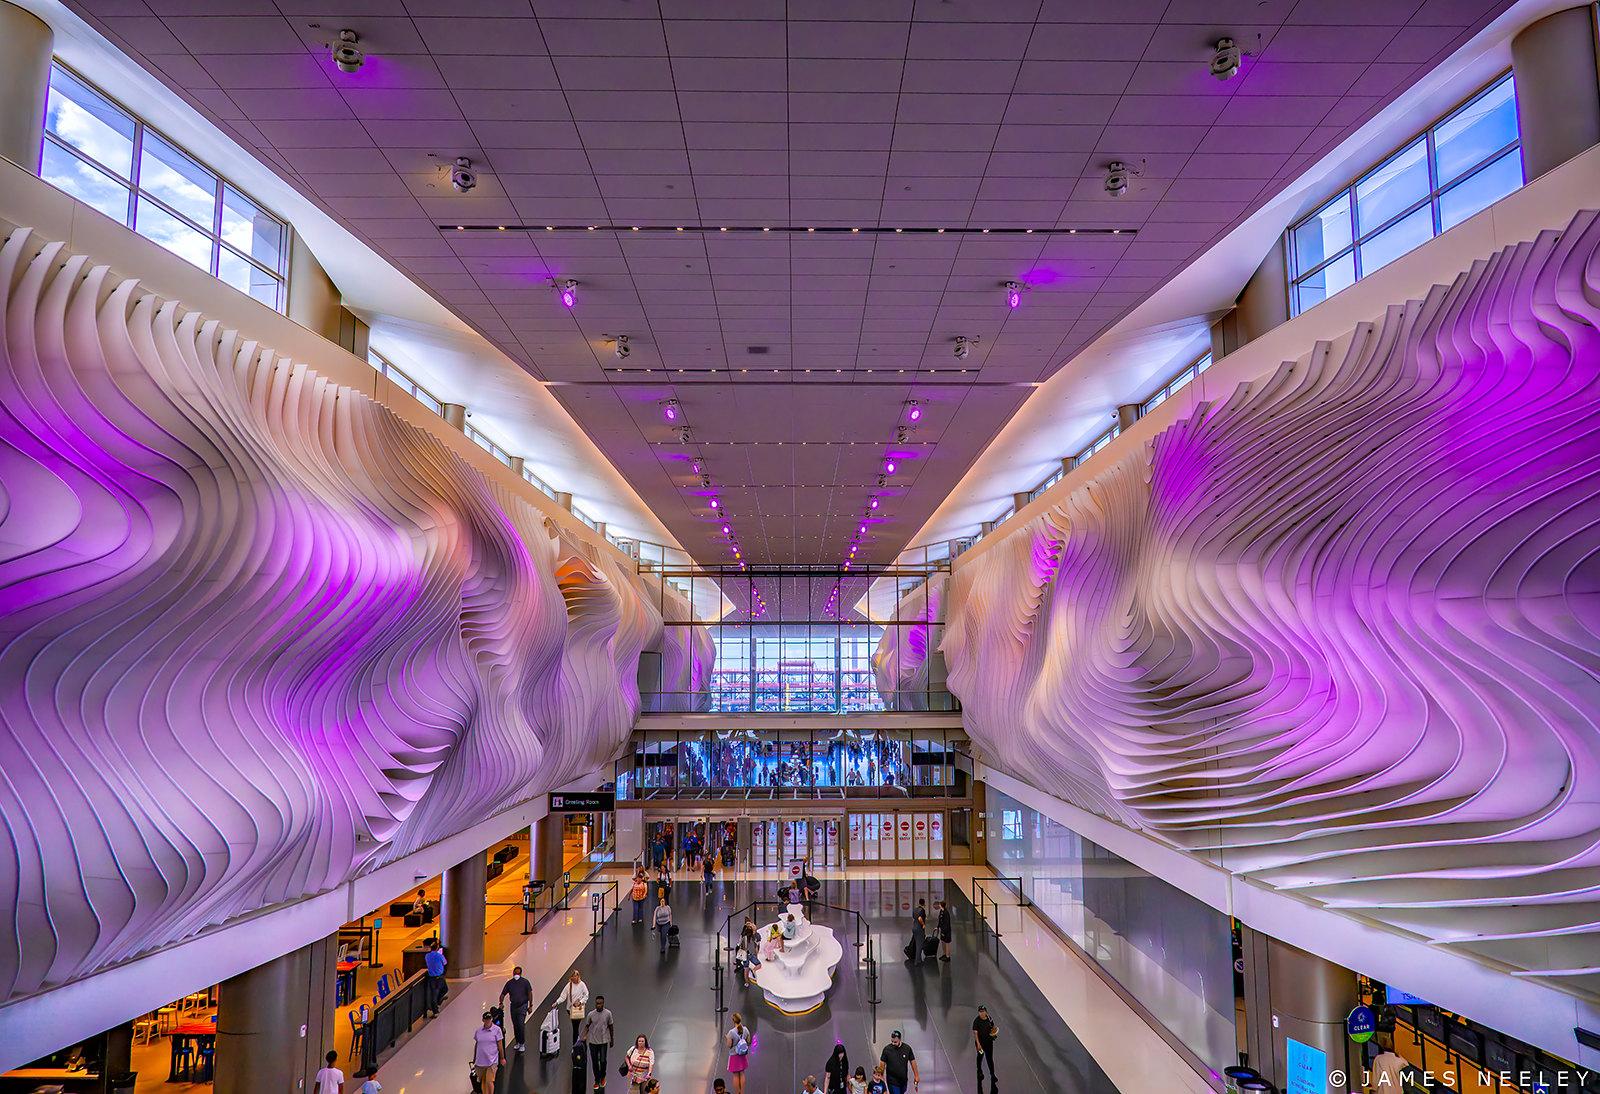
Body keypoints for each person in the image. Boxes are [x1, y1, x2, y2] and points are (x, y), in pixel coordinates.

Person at [581, 993, 615, 1090]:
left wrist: (612, 1039)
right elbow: (587, 1026)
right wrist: (584, 1036)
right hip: (593, 1042)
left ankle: (603, 1077)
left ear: (603, 1003)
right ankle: (596, 1080)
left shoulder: (608, 1013)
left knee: (603, 1060)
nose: (598, 1005)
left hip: (603, 1041)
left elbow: (611, 1026)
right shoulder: (591, 1014)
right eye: (597, 1003)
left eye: (600, 1003)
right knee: (595, 1062)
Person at [498, 964, 533, 1052]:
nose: (516, 975)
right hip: (513, 1006)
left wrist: (530, 1005)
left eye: (518, 973)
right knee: (515, 1025)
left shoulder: (525, 982)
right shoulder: (509, 983)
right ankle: (517, 1042)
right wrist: (501, 1003)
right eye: (515, 973)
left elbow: (530, 993)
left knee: (520, 1025)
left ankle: (522, 1043)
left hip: (522, 1006)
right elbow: (503, 993)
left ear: (520, 974)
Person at [473, 1011, 502, 1093]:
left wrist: (502, 1058)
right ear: (483, 1020)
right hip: (480, 1061)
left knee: (489, 1081)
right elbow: (477, 1044)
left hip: (492, 1061)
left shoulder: (497, 1030)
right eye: (486, 1019)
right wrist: (474, 1058)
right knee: (483, 1081)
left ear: (492, 1019)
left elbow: (500, 1045)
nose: (488, 1021)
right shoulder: (478, 1031)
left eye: (489, 1019)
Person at [558, 969, 590, 1043]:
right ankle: (577, 1040)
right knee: (575, 1026)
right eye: (574, 976)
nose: (575, 978)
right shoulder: (569, 985)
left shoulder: (582, 984)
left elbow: (586, 995)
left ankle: (575, 1043)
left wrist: (580, 1002)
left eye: (576, 976)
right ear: (571, 977)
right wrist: (557, 1002)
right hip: (570, 1009)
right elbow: (563, 996)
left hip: (578, 1009)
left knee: (575, 1026)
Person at [972, 1004, 998, 1088]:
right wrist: (978, 1044)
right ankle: (979, 1070)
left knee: (989, 1058)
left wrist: (994, 1034)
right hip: (980, 1044)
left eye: (983, 1011)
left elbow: (992, 1027)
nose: (981, 1013)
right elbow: (975, 1033)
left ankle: (992, 1075)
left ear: (986, 1012)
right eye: (980, 1012)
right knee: (980, 1056)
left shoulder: (989, 1018)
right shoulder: (976, 1021)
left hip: (989, 1043)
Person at [726, 1012, 752, 1093]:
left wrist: (727, 1038)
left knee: (736, 1075)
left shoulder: (731, 1032)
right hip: (742, 1055)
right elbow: (748, 1041)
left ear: (733, 1021)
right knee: (742, 1073)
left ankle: (737, 1093)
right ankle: (742, 1092)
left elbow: (729, 1045)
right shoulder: (745, 1029)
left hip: (734, 1056)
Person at [423, 939, 447, 1016]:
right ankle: (435, 1010)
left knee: (436, 992)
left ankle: (437, 1002)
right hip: (439, 977)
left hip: (431, 977)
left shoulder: (427, 956)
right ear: (437, 948)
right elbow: (445, 963)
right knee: (441, 991)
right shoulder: (440, 956)